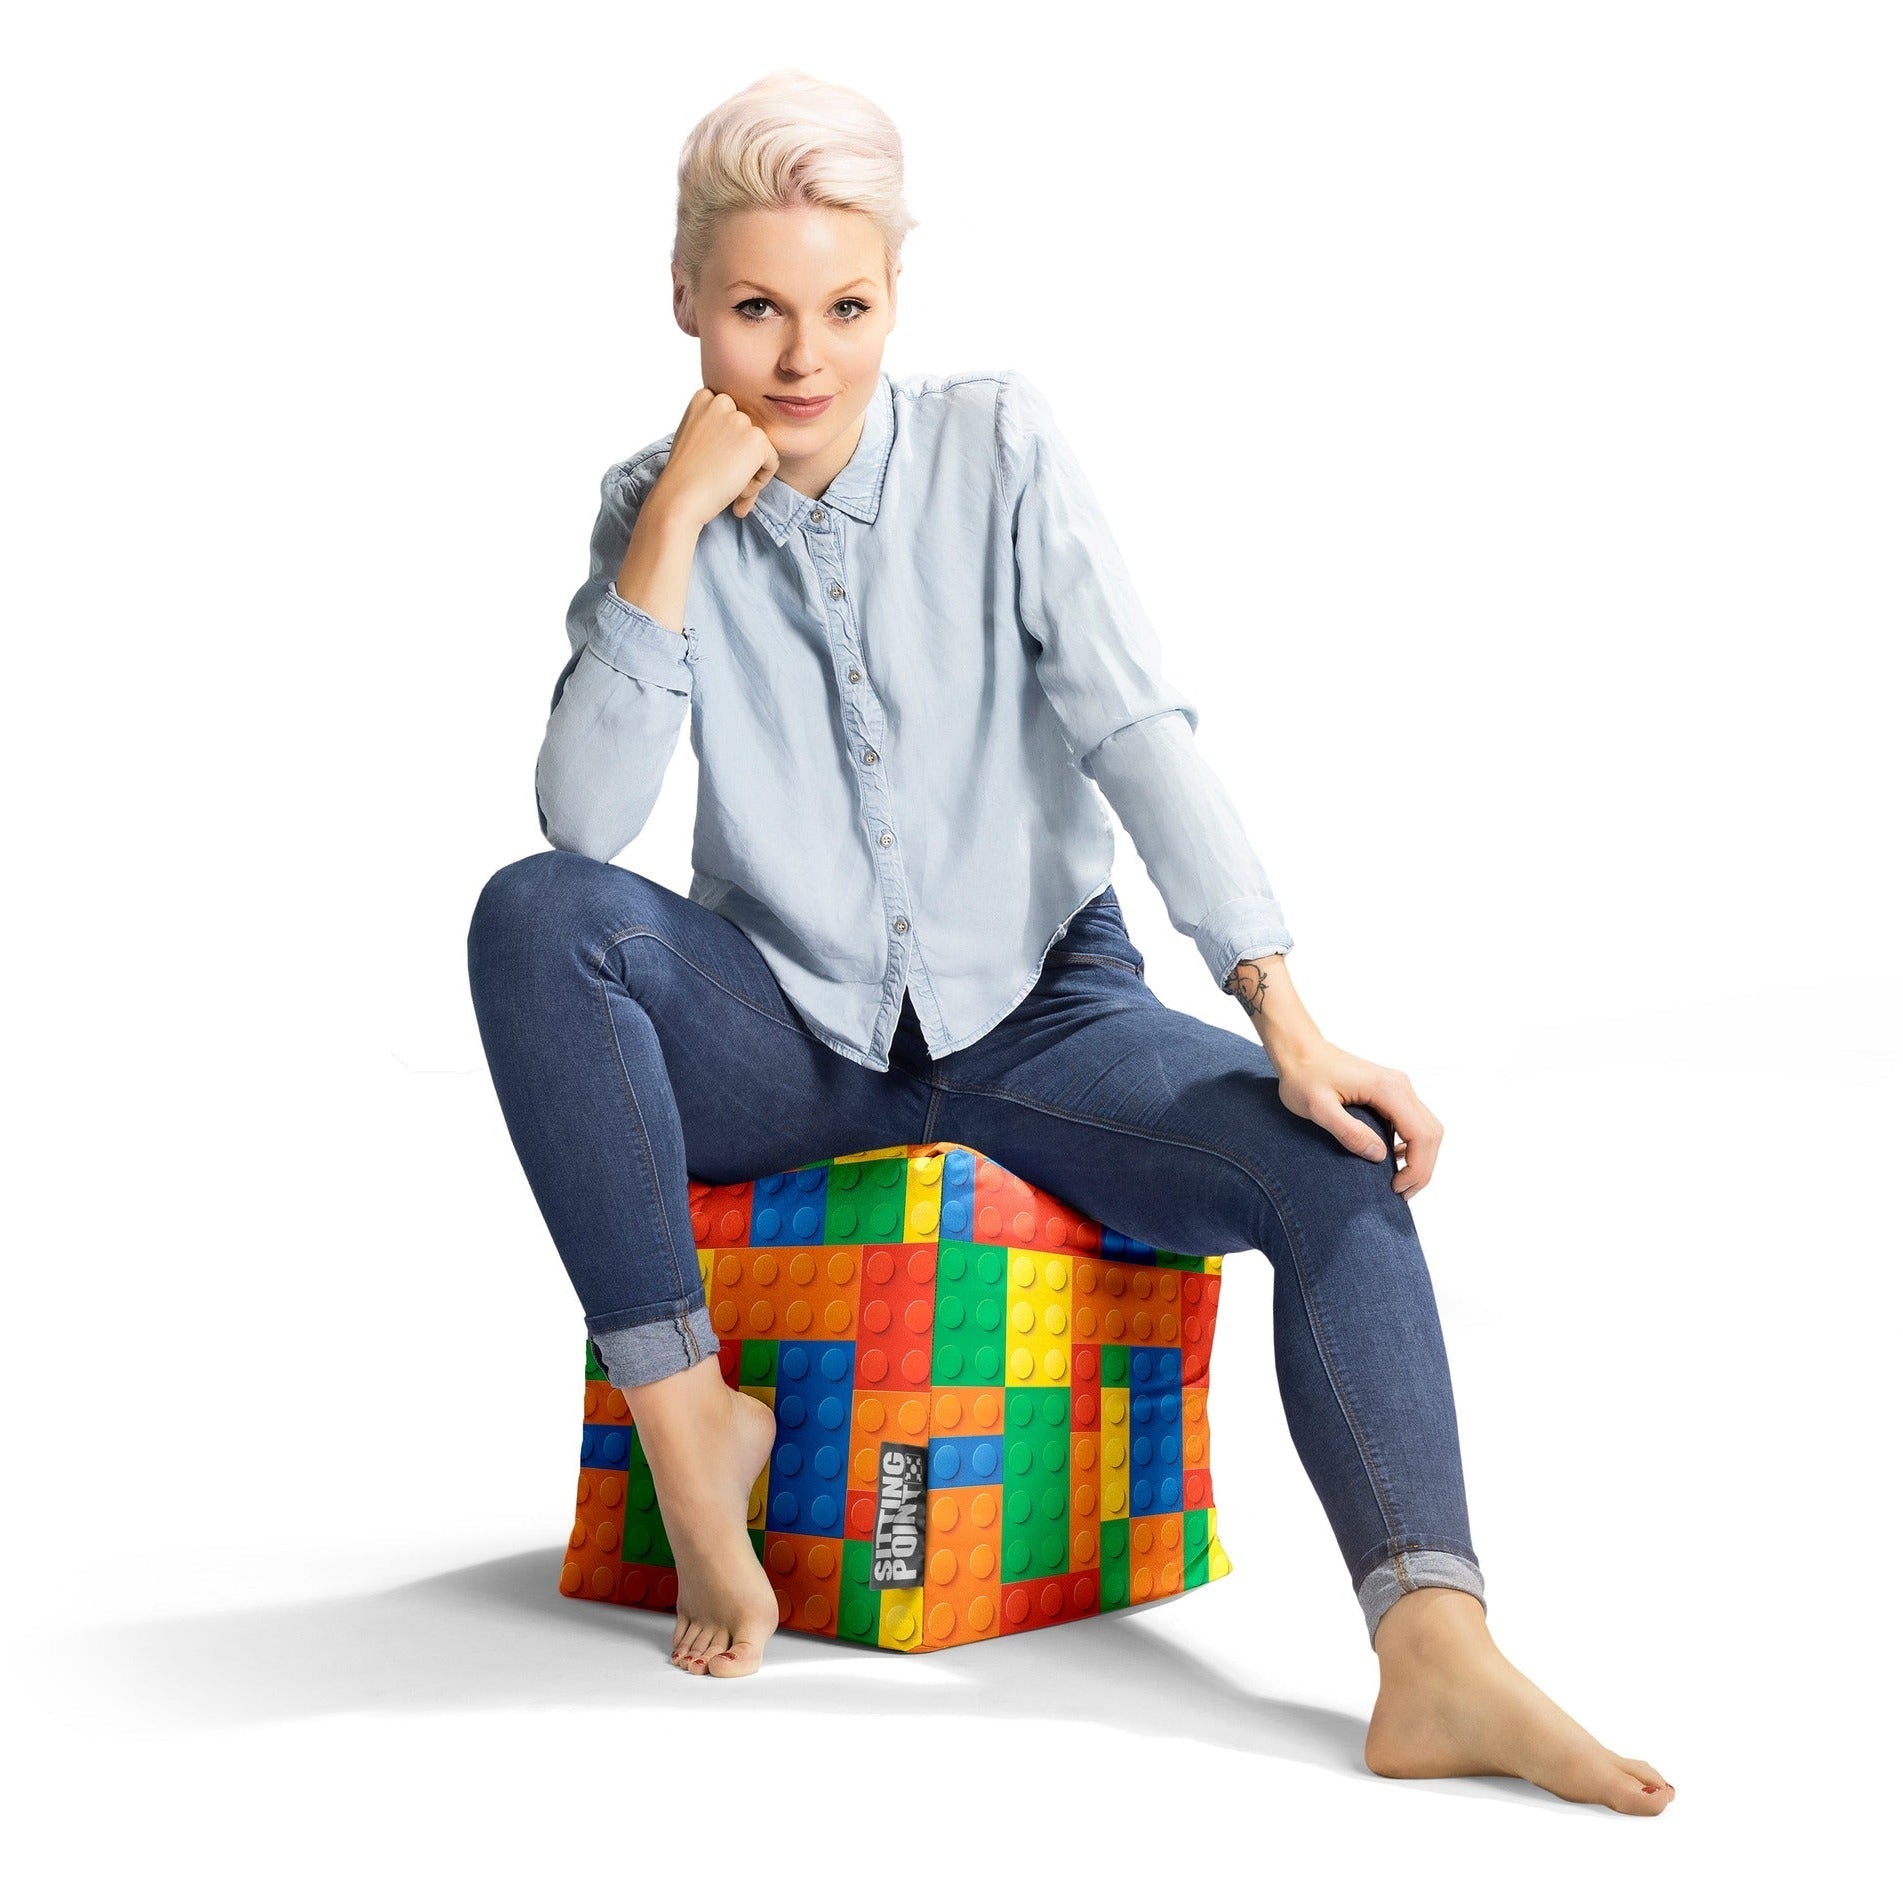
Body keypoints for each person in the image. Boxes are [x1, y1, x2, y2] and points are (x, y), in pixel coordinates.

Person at [466, 69, 1674, 1815]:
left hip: (1045, 1023)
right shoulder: (646, 504)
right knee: (535, 914)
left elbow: (1136, 728)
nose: (803, 358)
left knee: (1329, 1163)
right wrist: (668, 530)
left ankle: (1435, 1651)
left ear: (895, 298)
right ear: (686, 305)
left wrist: (1287, 1015)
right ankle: (689, 1430)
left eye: (847, 307)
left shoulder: (998, 446)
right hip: (786, 1046)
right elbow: (585, 823)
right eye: (755, 310)